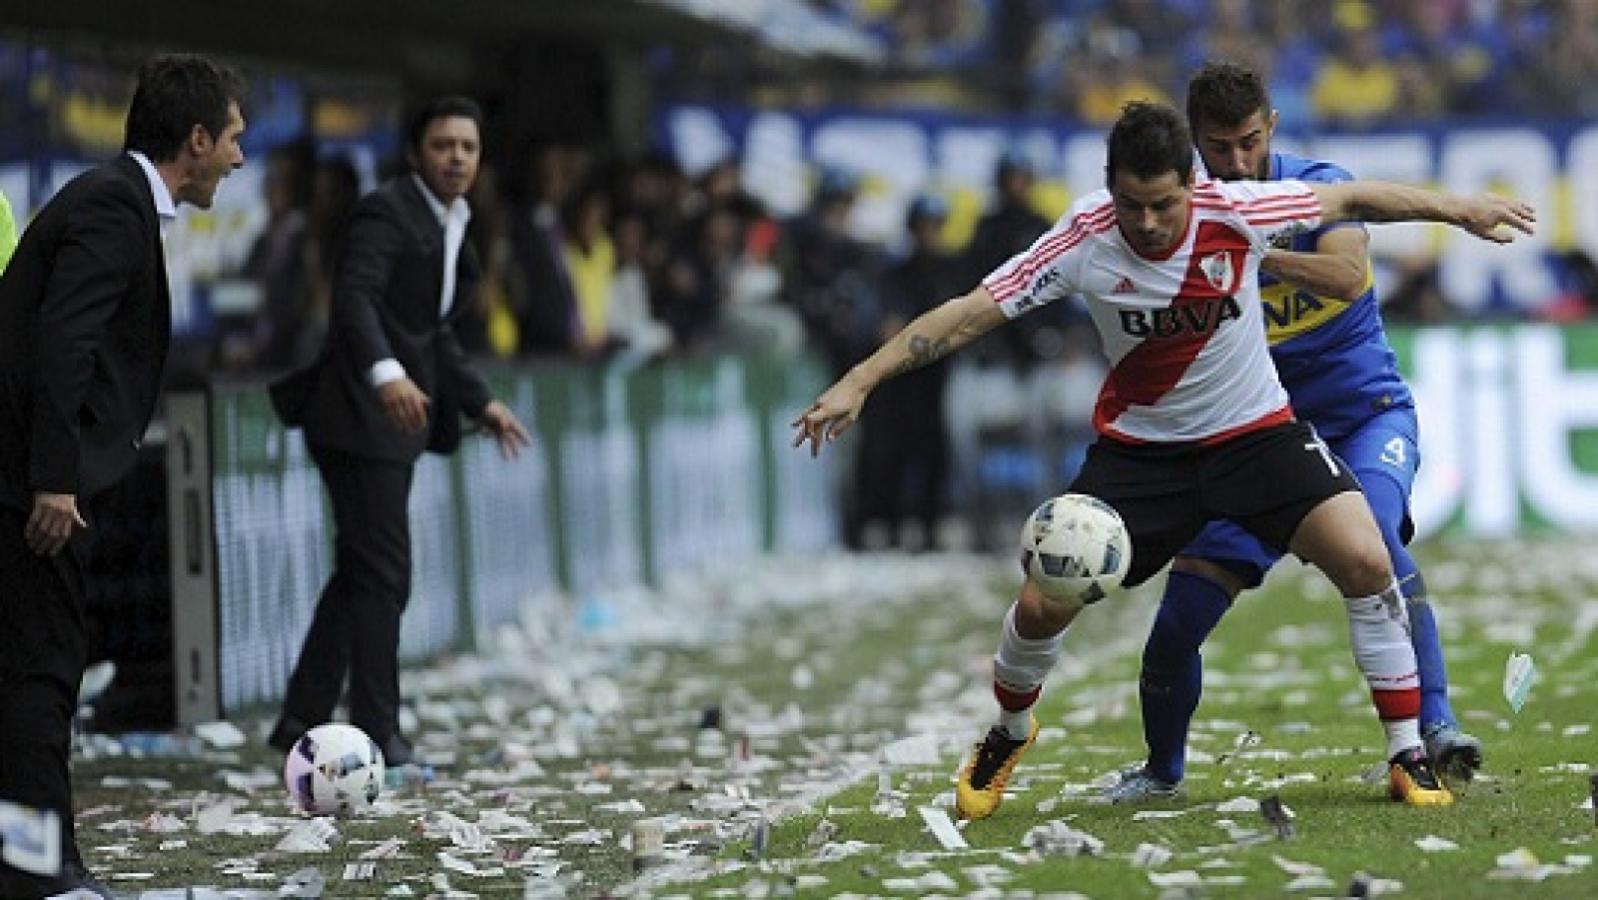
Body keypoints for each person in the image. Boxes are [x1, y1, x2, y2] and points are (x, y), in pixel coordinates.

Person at [792, 101, 1533, 819]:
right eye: (1130, 205)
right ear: (1109, 185)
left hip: (1256, 437)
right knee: (1042, 602)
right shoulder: (1083, 234)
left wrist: (1458, 209)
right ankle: (1010, 733)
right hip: (1143, 455)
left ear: (1191, 185)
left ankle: (1407, 752)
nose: (1146, 224)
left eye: (1163, 206)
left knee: (1369, 561)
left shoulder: (1238, 208)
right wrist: (861, 379)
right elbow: (970, 312)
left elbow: (1356, 196)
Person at [1101, 61, 1483, 806]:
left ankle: (1436, 727)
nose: (1238, 163)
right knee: (1177, 626)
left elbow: (1345, 279)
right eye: (1219, 148)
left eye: (1249, 142)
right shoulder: (1172, 219)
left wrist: (1247, 249)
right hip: (1248, 440)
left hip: (1359, 415)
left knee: (1375, 537)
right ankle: (1161, 769)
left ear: (1271, 127)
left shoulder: (1314, 186)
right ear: (1192, 146)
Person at [0, 54, 245, 897]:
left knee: (33, 670)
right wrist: (54, 479)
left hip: (26, 472)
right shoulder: (113, 206)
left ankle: (36, 860)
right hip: (26, 485)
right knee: (43, 672)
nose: (240, 160)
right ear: (198, 139)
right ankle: (36, 871)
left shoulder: (117, 205)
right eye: (234, 139)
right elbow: (62, 344)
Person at [267, 97, 531, 766]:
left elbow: (431, 331)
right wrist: (386, 374)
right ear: (416, 153)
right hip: (357, 416)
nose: (457, 158)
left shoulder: (451, 223)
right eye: (443, 145)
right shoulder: (388, 212)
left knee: (363, 570)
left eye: (468, 147)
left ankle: (301, 714)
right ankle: (378, 731)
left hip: (390, 421)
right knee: (384, 574)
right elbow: (352, 298)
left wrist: (482, 404)